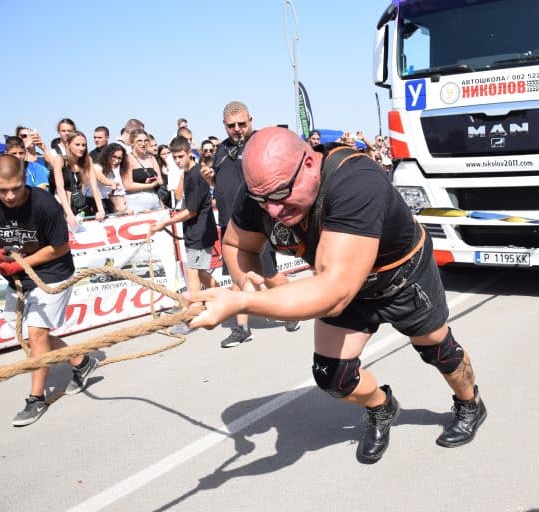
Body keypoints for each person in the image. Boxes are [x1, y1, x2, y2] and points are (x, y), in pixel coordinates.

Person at [187, 127, 487, 463]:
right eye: (263, 199)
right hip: (341, 283)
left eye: (282, 193)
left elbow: (335, 292)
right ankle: (381, 406)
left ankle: (470, 404)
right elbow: (236, 244)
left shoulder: (356, 180)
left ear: (310, 164)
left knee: (437, 349)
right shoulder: (263, 193)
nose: (272, 210)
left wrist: (243, 302)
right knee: (333, 376)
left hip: (400, 277)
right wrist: (247, 279)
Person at [0, 155, 100, 426]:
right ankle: (81, 362)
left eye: (16, 188)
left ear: (25, 180)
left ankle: (36, 398)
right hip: (17, 275)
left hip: (52, 272)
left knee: (37, 333)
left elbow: (60, 247)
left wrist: (20, 264)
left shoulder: (44, 203)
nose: (10, 196)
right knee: (33, 336)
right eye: (2, 190)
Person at [201, 101, 299, 349]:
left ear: (250, 121)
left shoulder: (259, 144)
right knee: (237, 278)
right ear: (224, 125)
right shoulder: (221, 151)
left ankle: (294, 308)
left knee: (269, 277)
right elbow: (223, 185)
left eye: (241, 124)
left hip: (254, 227)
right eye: (231, 125)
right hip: (229, 227)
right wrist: (211, 181)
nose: (237, 129)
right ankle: (241, 328)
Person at [150, 136, 219, 334]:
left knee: (193, 273)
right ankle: (228, 296)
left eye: (181, 156)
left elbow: (191, 211)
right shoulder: (187, 173)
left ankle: (193, 316)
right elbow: (183, 200)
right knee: (201, 273)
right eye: (175, 157)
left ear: (190, 153)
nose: (178, 160)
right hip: (194, 230)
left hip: (200, 230)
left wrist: (165, 222)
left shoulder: (197, 175)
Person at [53, 131, 107, 229]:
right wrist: (69, 214)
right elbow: (60, 188)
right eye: (77, 145)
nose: (81, 148)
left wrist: (100, 209)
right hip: (63, 205)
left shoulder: (87, 160)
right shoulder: (60, 160)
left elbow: (94, 187)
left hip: (81, 204)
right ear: (68, 145)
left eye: (84, 145)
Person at [123, 128, 163, 213]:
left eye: (146, 141)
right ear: (132, 142)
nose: (143, 144)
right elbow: (128, 185)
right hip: (136, 206)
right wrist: (149, 185)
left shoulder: (151, 158)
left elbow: (160, 181)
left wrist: (154, 181)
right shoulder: (127, 159)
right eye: (139, 141)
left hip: (155, 203)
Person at [96, 143, 129, 214]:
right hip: (95, 203)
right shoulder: (98, 167)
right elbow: (101, 178)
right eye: (114, 157)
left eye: (119, 158)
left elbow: (110, 193)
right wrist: (112, 183)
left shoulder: (115, 171)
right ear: (107, 155)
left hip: (107, 202)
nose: (117, 160)